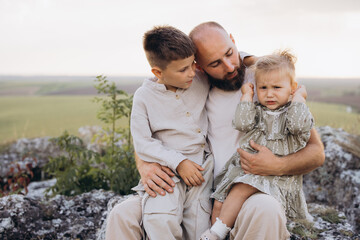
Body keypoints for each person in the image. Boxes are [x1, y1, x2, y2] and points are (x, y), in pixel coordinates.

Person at [105, 22, 325, 240]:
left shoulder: (266, 81)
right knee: (122, 215)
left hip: (248, 190)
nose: (229, 67)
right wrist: (144, 164)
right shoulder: (194, 83)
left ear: (233, 39)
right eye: (215, 63)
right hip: (198, 186)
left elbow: (316, 152)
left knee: (266, 209)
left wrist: (277, 165)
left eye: (230, 53)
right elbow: (148, 128)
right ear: (198, 66)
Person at [200, 50, 314, 240]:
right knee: (219, 200)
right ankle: (216, 234)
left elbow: (297, 125)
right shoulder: (259, 111)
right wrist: (246, 95)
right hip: (248, 170)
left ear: (292, 88)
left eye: (277, 87)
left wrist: (299, 98)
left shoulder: (292, 111)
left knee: (239, 190)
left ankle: (216, 233)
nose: (269, 94)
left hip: (272, 176)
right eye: (263, 88)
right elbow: (242, 123)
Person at [129, 25, 214, 240]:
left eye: (193, 64)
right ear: (158, 72)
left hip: (202, 172)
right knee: (160, 220)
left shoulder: (200, 79)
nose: (192, 72)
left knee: (199, 229)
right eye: (183, 69)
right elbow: (143, 143)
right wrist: (179, 162)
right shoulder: (143, 97)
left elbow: (227, 60)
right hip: (166, 173)